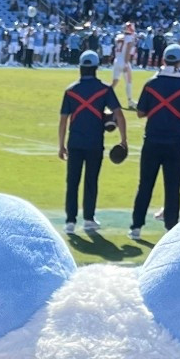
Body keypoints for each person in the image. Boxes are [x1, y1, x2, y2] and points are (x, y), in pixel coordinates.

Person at [130, 45, 180, 237]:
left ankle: (136, 226)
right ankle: (171, 227)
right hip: (175, 140)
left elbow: (141, 112)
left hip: (152, 138)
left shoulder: (152, 83)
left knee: (145, 184)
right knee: (173, 186)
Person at [56, 50, 124, 235]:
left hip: (75, 143)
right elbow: (118, 114)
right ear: (96, 68)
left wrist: (61, 145)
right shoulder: (104, 89)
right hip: (95, 143)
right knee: (91, 181)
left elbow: (63, 120)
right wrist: (123, 140)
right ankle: (88, 219)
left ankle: (70, 221)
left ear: (80, 67)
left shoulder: (70, 90)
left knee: (72, 182)